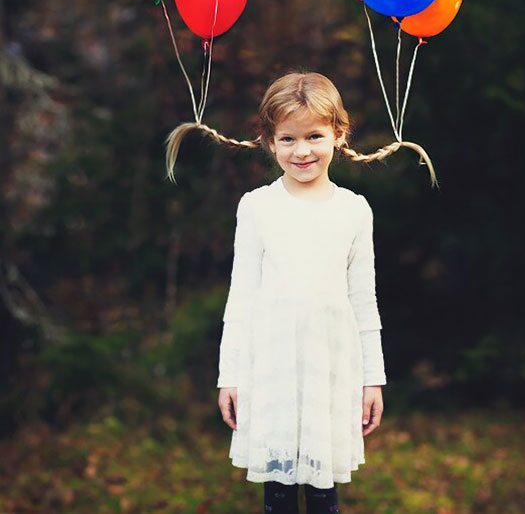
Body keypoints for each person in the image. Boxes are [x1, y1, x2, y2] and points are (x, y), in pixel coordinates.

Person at [164, 71, 437, 513]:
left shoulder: (354, 210)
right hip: (271, 369)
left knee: (323, 490)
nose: (303, 150)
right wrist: (228, 376)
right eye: (288, 139)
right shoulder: (256, 207)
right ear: (270, 142)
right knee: (278, 493)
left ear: (338, 134)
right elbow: (242, 298)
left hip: (331, 369)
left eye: (314, 135)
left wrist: (373, 378)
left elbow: (364, 301)